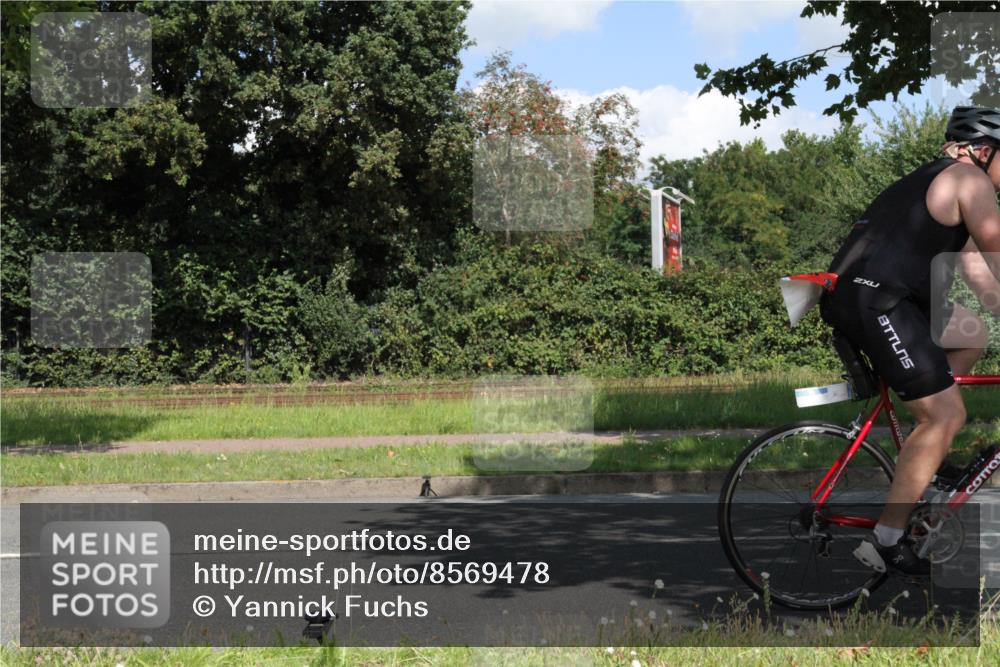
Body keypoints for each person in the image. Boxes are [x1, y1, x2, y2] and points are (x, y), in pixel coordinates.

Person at [819, 106, 1000, 576]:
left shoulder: (932, 181)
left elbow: (983, 276)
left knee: (971, 332)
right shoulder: (971, 181)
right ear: (984, 150)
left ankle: (929, 456)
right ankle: (887, 539)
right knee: (945, 413)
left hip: (861, 296)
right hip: (879, 303)